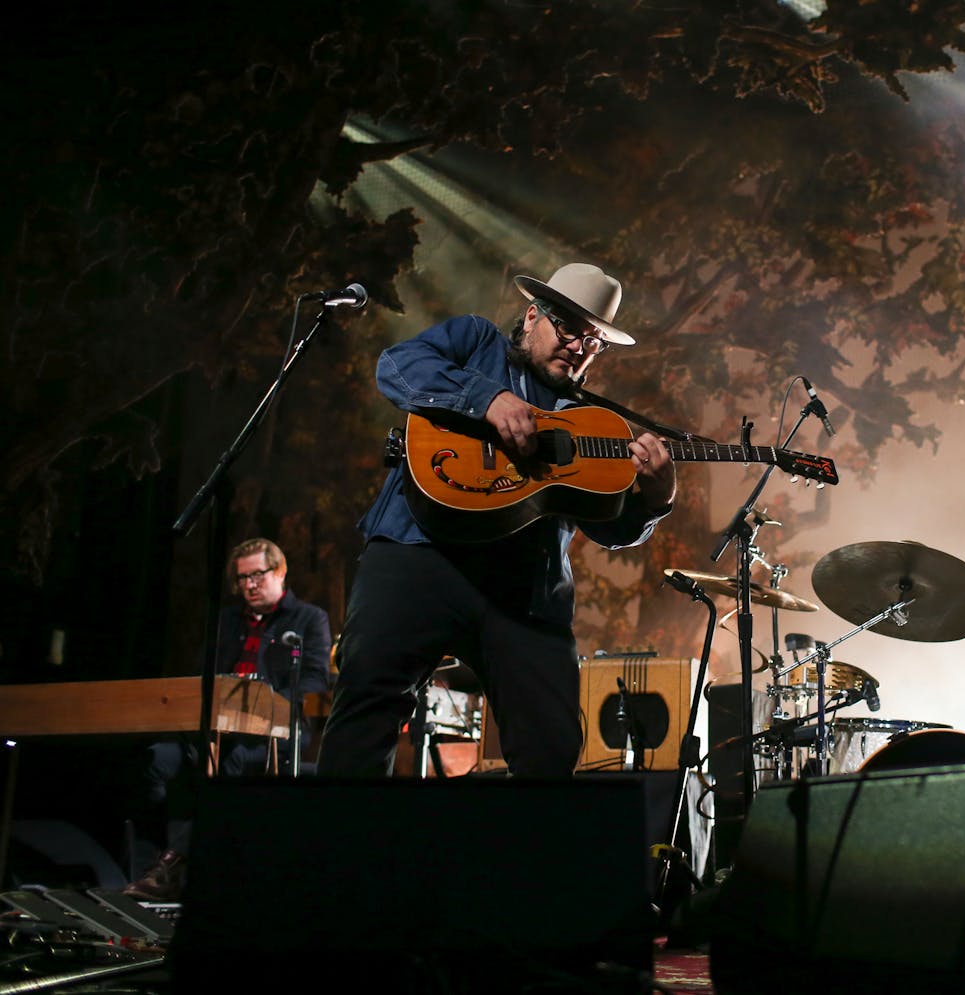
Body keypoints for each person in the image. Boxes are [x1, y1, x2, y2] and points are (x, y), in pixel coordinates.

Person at [316, 262, 676, 778]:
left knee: (551, 747)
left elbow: (610, 526)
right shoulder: (474, 339)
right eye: (568, 327)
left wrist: (656, 500)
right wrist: (486, 398)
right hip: (418, 549)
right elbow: (397, 365)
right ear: (532, 317)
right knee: (363, 715)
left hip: (522, 589)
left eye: (594, 340)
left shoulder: (594, 422)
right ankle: (330, 854)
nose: (579, 346)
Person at [125, 537, 332, 900]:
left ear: (280, 571)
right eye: (242, 578)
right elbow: (202, 677)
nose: (249, 585)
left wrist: (263, 698)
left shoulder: (309, 619)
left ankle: (179, 866)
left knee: (228, 758)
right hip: (213, 730)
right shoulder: (226, 620)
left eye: (257, 575)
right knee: (156, 759)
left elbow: (315, 681)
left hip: (276, 735)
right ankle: (149, 869)